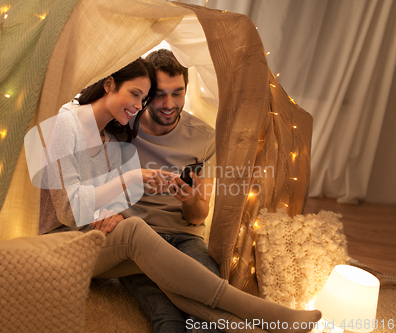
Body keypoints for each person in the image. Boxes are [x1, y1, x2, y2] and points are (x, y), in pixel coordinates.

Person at [41, 58, 321, 333]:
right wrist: (131, 179)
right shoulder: (67, 123)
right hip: (61, 247)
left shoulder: (112, 137)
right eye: (139, 95)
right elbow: (68, 209)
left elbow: (106, 199)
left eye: (143, 97)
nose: (140, 106)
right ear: (109, 84)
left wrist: (117, 211)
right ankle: (267, 312)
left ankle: (266, 327)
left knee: (179, 291)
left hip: (100, 238)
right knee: (136, 231)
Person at [119, 49, 221, 333]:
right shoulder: (123, 127)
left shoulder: (204, 138)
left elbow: (199, 217)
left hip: (185, 239)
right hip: (136, 240)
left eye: (178, 93)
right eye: (160, 94)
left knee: (209, 313)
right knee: (167, 319)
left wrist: (190, 199)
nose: (169, 104)